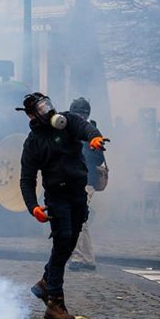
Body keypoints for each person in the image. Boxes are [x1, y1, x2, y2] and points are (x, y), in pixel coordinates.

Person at [18, 92, 107, 319]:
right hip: (56, 196)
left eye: (47, 104)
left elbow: (84, 127)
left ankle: (46, 282)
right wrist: (33, 207)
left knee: (70, 242)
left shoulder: (67, 121)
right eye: (41, 108)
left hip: (77, 193)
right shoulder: (33, 143)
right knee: (62, 241)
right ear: (31, 115)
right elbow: (27, 180)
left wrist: (94, 138)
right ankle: (54, 303)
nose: (47, 110)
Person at [67, 97, 106, 272]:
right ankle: (89, 259)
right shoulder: (71, 130)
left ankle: (77, 258)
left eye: (79, 115)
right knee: (81, 221)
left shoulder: (93, 132)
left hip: (86, 180)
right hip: (74, 180)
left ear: (85, 115)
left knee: (76, 219)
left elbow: (98, 157)